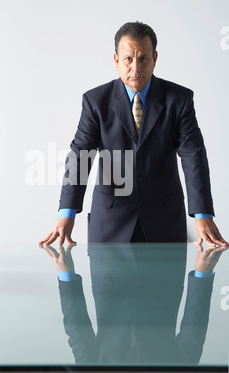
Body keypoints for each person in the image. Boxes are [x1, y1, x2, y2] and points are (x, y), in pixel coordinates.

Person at [39, 22, 228, 247]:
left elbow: (193, 155)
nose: (135, 68)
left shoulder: (179, 100)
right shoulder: (95, 101)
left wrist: (203, 214)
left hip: (164, 224)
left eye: (143, 58)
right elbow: (81, 155)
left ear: (155, 59)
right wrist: (66, 214)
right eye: (128, 59)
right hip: (110, 226)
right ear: (116, 60)